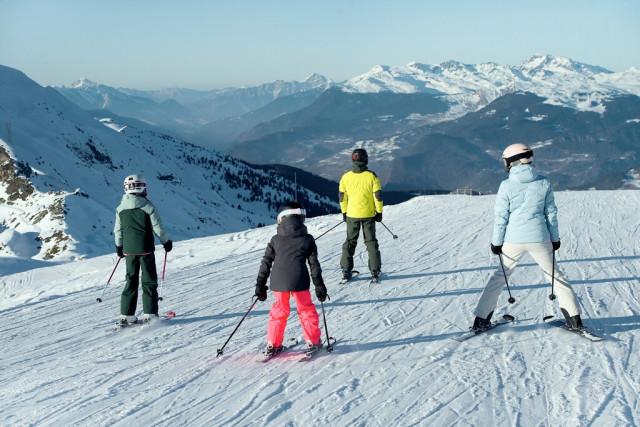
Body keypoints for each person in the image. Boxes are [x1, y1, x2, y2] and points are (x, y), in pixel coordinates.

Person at [472, 143, 585, 331]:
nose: (505, 165)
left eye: (506, 161)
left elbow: (501, 217)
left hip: (513, 240)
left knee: (500, 277)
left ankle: (481, 320)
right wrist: (555, 238)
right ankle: (574, 320)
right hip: (540, 238)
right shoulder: (543, 182)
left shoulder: (506, 185)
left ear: (513, 161)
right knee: (555, 276)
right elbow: (551, 214)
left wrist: (496, 243)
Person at [254, 202, 328, 356]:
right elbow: (314, 265)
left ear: (281, 219)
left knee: (278, 312)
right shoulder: (307, 239)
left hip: (278, 282)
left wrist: (260, 285)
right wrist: (319, 285)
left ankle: (273, 344)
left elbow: (266, 263)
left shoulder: (275, 239)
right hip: (299, 281)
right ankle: (312, 342)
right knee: (306, 310)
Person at [114, 174, 172, 325]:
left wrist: (119, 246)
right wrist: (166, 242)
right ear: (143, 187)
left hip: (128, 251)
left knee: (131, 281)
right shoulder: (148, 206)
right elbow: (158, 228)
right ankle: (150, 314)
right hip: (145, 249)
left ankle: (126, 315)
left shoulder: (120, 208)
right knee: (148, 281)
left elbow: (118, 230)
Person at [339, 148, 383, 281]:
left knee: (350, 242)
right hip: (368, 215)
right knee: (370, 242)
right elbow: (378, 196)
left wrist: (344, 212)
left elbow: (342, 197)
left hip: (352, 215)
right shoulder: (371, 176)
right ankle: (375, 271)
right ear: (365, 159)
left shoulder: (345, 177)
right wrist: (379, 212)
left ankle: (346, 270)